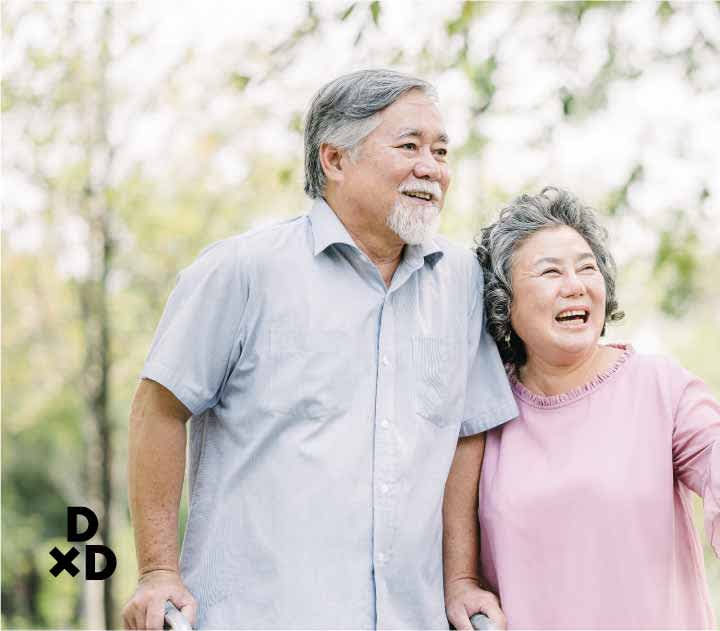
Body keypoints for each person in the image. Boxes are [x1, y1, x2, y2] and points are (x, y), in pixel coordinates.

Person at [121, 69, 516, 630]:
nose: (431, 167)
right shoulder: (241, 270)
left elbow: (467, 433)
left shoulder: (461, 282)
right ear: (335, 160)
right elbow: (157, 409)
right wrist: (157, 570)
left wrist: (460, 579)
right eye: (409, 146)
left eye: (441, 151)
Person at [445, 187, 720, 628]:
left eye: (587, 268)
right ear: (504, 299)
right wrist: (462, 587)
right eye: (550, 272)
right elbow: (462, 572)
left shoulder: (660, 386)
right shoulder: (485, 405)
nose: (575, 285)